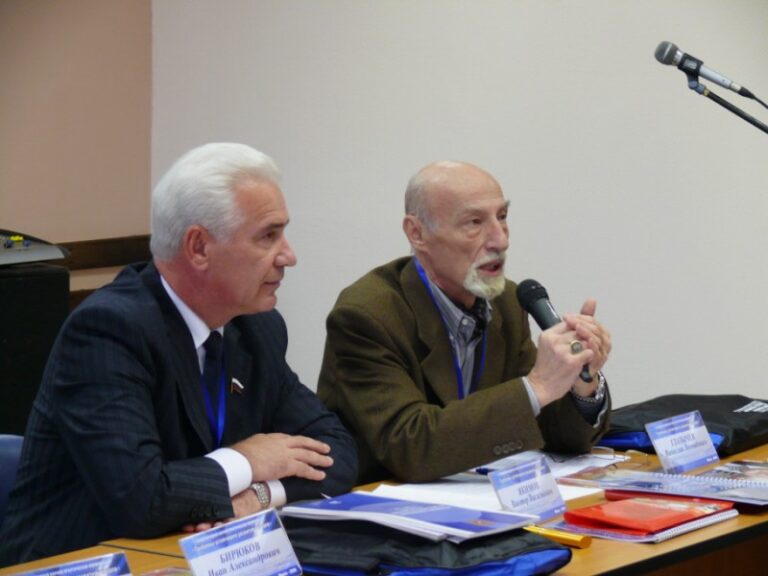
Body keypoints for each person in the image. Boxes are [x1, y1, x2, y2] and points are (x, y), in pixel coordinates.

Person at [0, 143, 357, 565]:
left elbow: (337, 453)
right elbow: (140, 498)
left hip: (191, 555)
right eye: (268, 236)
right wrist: (245, 460)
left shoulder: (256, 328)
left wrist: (257, 496)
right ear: (199, 247)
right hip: (80, 561)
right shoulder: (108, 331)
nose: (289, 256)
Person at [317, 160, 611, 484]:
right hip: (377, 504)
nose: (500, 240)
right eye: (474, 222)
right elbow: (409, 446)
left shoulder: (506, 303)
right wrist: (538, 386)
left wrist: (580, 383)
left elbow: (553, 432)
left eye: (502, 217)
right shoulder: (367, 315)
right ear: (417, 233)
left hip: (473, 501)